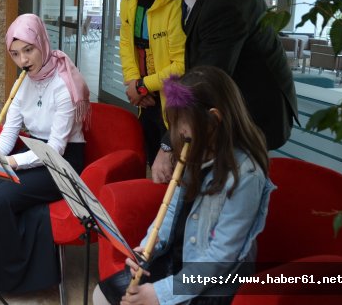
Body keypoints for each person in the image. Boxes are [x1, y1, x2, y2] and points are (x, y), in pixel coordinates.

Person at [94, 66, 275, 305]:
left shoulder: (247, 175)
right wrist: (147, 247)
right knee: (102, 294)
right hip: (176, 258)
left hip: (213, 282)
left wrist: (160, 294)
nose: (177, 134)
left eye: (183, 126)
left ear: (214, 120)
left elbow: (220, 258)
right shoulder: (196, 148)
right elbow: (170, 211)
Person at [147, 0, 297, 183]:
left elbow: (207, 78)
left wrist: (168, 144)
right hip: (226, 98)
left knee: (230, 188)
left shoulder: (224, 4)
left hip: (253, 108)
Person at [0, 13, 90, 303]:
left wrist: (11, 164)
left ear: (42, 43)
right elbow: (8, 136)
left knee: (0, 197)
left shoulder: (64, 86)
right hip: (33, 151)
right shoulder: (21, 84)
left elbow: (56, 148)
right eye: (15, 53)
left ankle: (0, 274)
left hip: (63, 162)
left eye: (28, 50)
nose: (23, 60)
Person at [119, 0, 185, 166]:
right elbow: (126, 45)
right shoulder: (128, 0)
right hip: (144, 101)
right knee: (150, 165)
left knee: (174, 172)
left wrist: (142, 86)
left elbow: (181, 65)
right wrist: (133, 82)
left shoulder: (176, 4)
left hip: (174, 107)